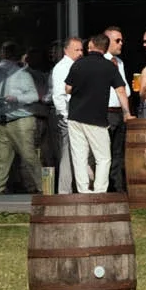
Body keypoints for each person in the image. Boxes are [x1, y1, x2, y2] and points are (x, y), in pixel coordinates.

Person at [62, 36, 127, 195]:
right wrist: (127, 112)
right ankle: (100, 190)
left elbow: (67, 88)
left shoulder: (78, 63)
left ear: (91, 45)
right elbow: (120, 90)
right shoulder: (109, 67)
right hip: (96, 118)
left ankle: (83, 190)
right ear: (105, 48)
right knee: (103, 157)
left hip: (75, 116)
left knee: (79, 156)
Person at [0, 42, 43, 195]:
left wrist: (16, 98)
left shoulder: (22, 75)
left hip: (20, 120)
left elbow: (34, 96)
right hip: (1, 120)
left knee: (29, 156)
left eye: (7, 53)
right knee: (2, 158)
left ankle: (43, 188)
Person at [48, 34, 84, 190]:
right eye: (77, 50)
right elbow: (59, 94)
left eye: (82, 49)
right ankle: (65, 191)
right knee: (67, 155)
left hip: (76, 116)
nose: (81, 53)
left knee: (76, 154)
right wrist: (65, 115)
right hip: (68, 117)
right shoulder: (62, 68)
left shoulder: (75, 66)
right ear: (66, 50)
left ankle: (78, 187)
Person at [100, 28, 131, 191]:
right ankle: (104, 187)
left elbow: (123, 87)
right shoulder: (100, 61)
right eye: (117, 40)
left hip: (119, 112)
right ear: (107, 41)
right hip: (105, 111)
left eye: (121, 40)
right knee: (104, 152)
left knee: (118, 152)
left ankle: (117, 187)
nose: (121, 43)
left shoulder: (119, 62)